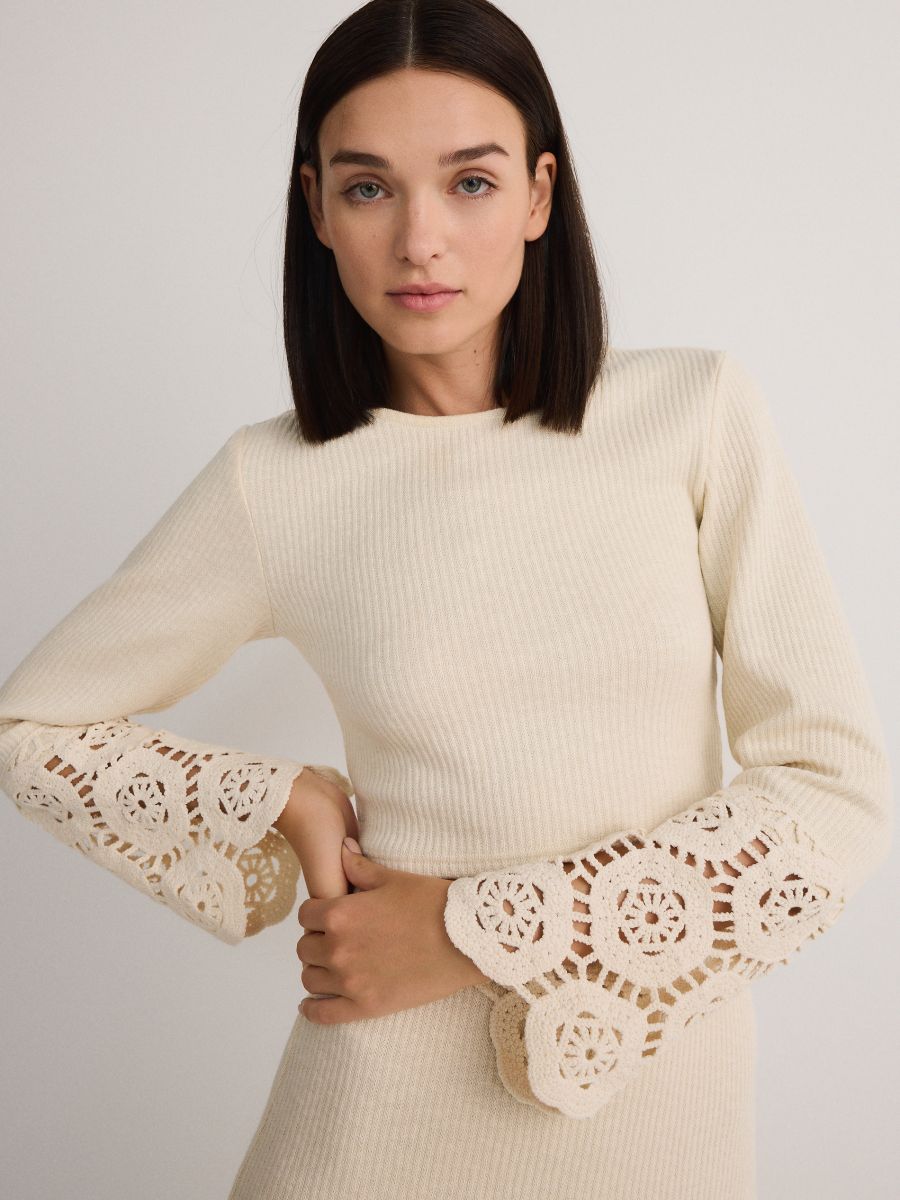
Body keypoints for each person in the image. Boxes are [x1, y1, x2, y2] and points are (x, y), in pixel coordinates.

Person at [0, 1, 891, 1197]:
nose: (420, 239)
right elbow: (31, 727)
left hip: (659, 1127)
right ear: (317, 208)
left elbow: (832, 791)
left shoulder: (693, 414)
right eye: (369, 189)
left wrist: (473, 931)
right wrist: (284, 800)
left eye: (469, 183)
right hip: (369, 1129)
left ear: (537, 194)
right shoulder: (276, 484)